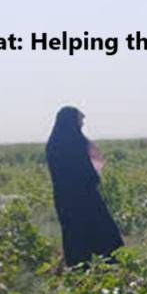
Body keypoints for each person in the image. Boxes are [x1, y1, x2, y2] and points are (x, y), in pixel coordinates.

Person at [45, 106, 124, 268]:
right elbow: (83, 169)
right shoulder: (74, 143)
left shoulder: (54, 143)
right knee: (99, 228)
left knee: (74, 231)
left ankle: (79, 266)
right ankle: (105, 264)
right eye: (79, 121)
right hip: (83, 195)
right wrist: (93, 178)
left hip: (65, 197)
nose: (81, 124)